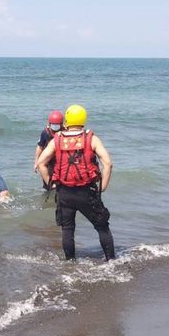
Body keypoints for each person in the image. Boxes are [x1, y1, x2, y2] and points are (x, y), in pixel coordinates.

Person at [37, 104, 115, 261]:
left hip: (64, 193)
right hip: (87, 192)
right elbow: (107, 163)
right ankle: (111, 261)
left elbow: (41, 163)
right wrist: (104, 186)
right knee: (102, 227)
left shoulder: (57, 139)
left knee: (67, 229)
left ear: (67, 120)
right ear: (83, 119)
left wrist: (50, 183)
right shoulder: (91, 138)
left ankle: (70, 264)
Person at [34, 110, 64, 190]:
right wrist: (36, 162)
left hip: (61, 161)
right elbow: (39, 147)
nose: (55, 127)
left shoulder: (64, 132)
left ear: (61, 124)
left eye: (57, 125)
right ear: (49, 124)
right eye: (53, 125)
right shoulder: (45, 133)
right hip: (48, 161)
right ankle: (49, 191)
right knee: (48, 186)